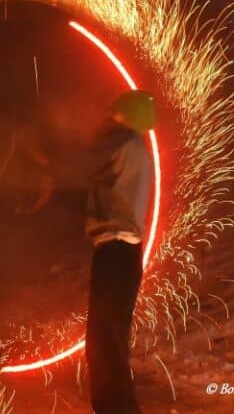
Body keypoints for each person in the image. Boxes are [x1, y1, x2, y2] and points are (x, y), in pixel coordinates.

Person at [85, 90, 156, 414]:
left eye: (116, 114)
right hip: (122, 253)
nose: (109, 119)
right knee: (109, 344)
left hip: (116, 251)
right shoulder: (134, 147)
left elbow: (80, 168)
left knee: (104, 346)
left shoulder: (125, 145)